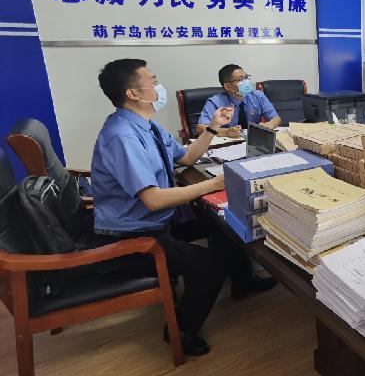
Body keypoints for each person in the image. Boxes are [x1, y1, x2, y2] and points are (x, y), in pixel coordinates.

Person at [91, 58, 276, 356]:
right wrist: (211, 185)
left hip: (158, 217)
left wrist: (213, 128)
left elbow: (187, 157)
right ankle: (181, 330)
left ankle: (242, 281)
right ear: (133, 93)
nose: (158, 86)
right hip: (135, 231)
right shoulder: (122, 136)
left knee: (222, 221)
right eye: (153, 81)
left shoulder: (147, 126)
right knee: (210, 266)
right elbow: (152, 199)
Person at [196, 64, 281, 137]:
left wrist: (269, 125)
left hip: (254, 141)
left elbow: (276, 118)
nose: (246, 82)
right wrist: (226, 132)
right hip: (228, 144)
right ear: (227, 86)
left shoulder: (258, 95)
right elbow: (200, 128)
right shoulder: (215, 102)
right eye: (241, 80)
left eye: (246, 78)